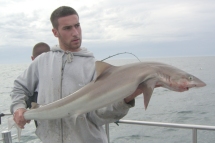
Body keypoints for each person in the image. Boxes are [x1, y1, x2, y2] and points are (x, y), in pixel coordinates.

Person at [10, 6, 142, 143]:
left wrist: (125, 100)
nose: (75, 33)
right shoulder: (42, 61)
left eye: (77, 26)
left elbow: (100, 115)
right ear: (55, 32)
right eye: (67, 28)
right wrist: (18, 107)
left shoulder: (93, 67)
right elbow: (19, 87)